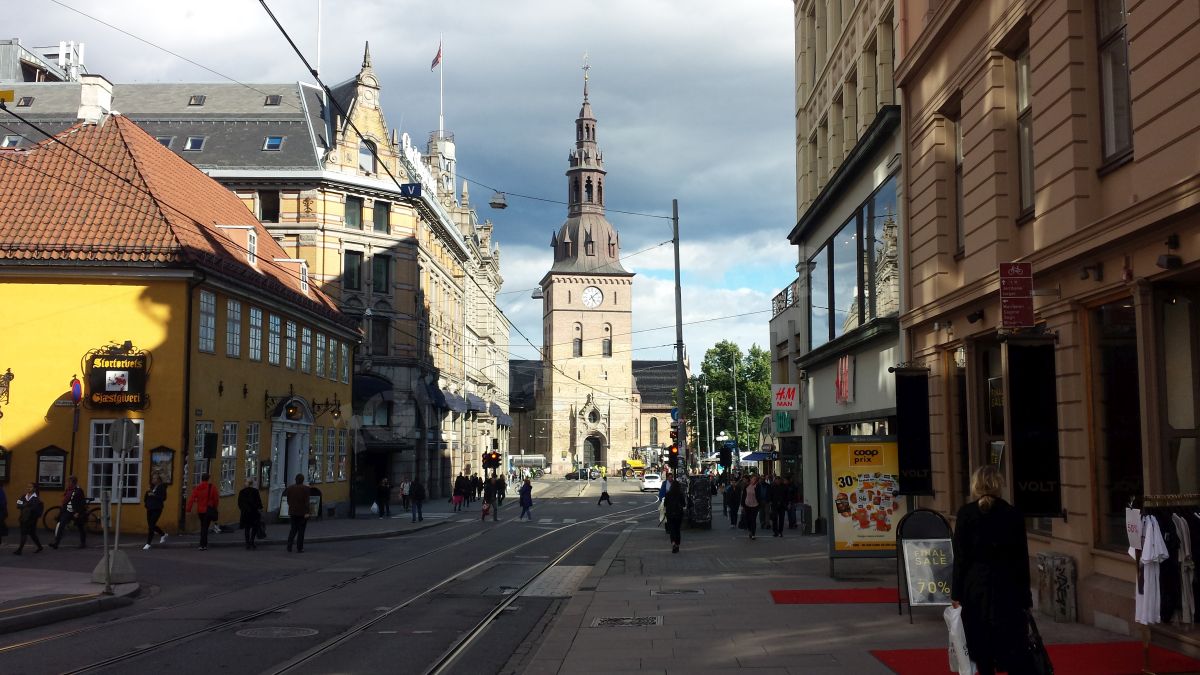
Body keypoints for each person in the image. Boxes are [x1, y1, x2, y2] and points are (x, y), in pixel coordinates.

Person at [951, 465, 1034, 675]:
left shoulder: (966, 514)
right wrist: (1025, 597)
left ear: (975, 486)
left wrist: (956, 593)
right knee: (1011, 643)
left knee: (981, 644)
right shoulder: (1012, 514)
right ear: (999, 486)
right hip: (1007, 588)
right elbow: (1021, 559)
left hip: (976, 587)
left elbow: (960, 558)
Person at [50, 475, 88, 549]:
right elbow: (66, 500)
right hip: (67, 511)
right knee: (61, 525)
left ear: (73, 482)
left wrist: (78, 512)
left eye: (69, 481)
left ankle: (83, 543)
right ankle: (56, 543)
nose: (67, 483)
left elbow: (82, 502)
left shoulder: (79, 490)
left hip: (76, 511)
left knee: (81, 527)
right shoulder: (68, 490)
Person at [186, 472, 219, 550]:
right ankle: (203, 545)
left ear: (202, 478)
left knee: (203, 526)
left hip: (200, 511)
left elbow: (192, 498)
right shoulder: (212, 487)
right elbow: (216, 499)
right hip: (208, 510)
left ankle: (203, 544)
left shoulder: (198, 487)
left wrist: (188, 509)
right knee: (205, 527)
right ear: (208, 479)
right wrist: (215, 507)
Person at [13, 482, 44, 555]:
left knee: (24, 533)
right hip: (23, 518)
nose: (28, 488)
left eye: (30, 487)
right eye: (28, 487)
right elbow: (18, 504)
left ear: (34, 489)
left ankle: (19, 550)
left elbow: (34, 509)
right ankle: (40, 547)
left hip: (31, 520)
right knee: (32, 534)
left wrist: (24, 505)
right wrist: (26, 505)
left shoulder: (36, 499)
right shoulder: (23, 496)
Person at [284, 473, 311, 553]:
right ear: (302, 480)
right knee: (301, 531)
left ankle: (289, 546)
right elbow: (307, 502)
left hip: (293, 512)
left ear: (295, 480)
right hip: (302, 513)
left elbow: (288, 500)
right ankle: (299, 547)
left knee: (293, 529)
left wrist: (291, 506)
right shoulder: (306, 489)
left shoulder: (290, 488)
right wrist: (307, 512)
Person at [143, 472, 168, 550]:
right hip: (150, 507)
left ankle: (148, 543)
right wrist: (147, 501)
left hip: (157, 508)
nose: (153, 480)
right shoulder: (152, 487)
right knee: (151, 525)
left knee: (151, 525)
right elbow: (146, 497)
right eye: (153, 478)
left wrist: (154, 495)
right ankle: (163, 534)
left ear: (159, 479)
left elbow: (163, 498)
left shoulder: (161, 487)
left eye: (155, 478)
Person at [238, 478, 264, 550]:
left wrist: (243, 509)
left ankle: (247, 543)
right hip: (254, 513)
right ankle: (252, 541)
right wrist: (260, 508)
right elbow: (258, 501)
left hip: (245, 513)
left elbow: (239, 503)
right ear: (251, 484)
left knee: (247, 528)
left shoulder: (242, 492)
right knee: (254, 528)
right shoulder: (255, 491)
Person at [663, 479, 685, 553]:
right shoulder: (681, 494)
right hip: (679, 514)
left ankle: (673, 543)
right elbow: (684, 504)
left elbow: (665, 504)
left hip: (670, 514)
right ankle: (677, 544)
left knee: (672, 530)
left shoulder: (668, 494)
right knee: (677, 530)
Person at [742, 475, 761, 540]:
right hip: (747, 505)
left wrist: (759, 504)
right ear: (750, 479)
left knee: (753, 519)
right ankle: (750, 530)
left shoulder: (757, 487)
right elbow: (744, 496)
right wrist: (742, 505)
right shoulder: (747, 486)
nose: (753, 480)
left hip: (755, 505)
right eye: (753, 479)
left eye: (755, 479)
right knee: (748, 519)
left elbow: (759, 496)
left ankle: (753, 534)